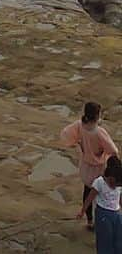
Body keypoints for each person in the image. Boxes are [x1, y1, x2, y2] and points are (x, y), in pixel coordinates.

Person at [62, 102, 118, 231]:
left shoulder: (79, 125)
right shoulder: (99, 132)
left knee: (87, 192)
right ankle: (103, 220)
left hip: (86, 165)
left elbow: (65, 133)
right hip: (99, 167)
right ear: (97, 115)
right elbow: (113, 150)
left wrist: (78, 144)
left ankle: (89, 221)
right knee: (102, 194)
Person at [81, 153, 122, 251]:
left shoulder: (119, 180)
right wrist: (83, 211)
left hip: (116, 213)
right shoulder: (100, 182)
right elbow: (90, 197)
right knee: (105, 240)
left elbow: (120, 198)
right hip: (103, 214)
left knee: (118, 239)